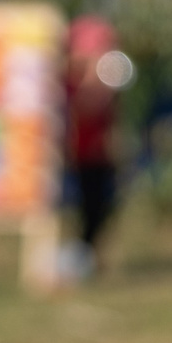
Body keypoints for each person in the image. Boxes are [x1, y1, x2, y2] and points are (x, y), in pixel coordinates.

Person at [60, 15, 125, 281]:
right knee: (78, 210)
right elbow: (84, 108)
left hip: (96, 155)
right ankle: (75, 260)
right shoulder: (70, 82)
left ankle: (85, 257)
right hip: (73, 156)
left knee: (100, 208)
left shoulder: (104, 82)